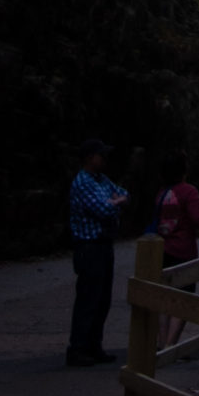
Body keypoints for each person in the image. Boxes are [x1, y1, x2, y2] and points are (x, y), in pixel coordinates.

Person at [66, 136, 128, 366]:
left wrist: (117, 201)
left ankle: (94, 346)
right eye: (101, 155)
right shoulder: (83, 182)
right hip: (89, 247)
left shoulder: (101, 180)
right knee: (88, 299)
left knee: (102, 299)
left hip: (103, 246)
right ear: (90, 158)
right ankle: (78, 348)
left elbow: (124, 194)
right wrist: (115, 203)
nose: (105, 159)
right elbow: (103, 209)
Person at [154, 152, 199, 347]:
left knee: (165, 297)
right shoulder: (189, 191)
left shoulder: (162, 192)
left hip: (162, 248)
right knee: (184, 297)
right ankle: (171, 345)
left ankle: (162, 342)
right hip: (183, 250)